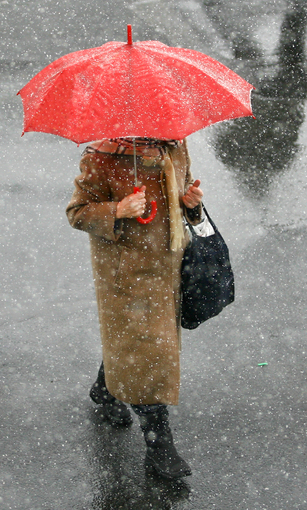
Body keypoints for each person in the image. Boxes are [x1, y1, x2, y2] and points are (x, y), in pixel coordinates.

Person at [66, 137, 204, 479]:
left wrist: (192, 205)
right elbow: (77, 212)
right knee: (150, 348)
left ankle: (104, 386)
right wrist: (117, 210)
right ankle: (159, 443)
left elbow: (184, 191)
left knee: (134, 342)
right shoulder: (102, 157)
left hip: (169, 267)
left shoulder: (174, 147)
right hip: (126, 275)